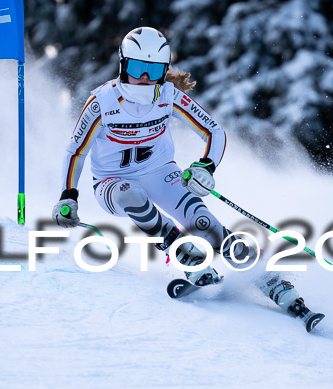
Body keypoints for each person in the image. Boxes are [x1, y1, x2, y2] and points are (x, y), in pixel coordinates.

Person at [51, 26, 317, 324]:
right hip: (112, 182)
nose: (143, 78)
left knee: (204, 223)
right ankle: (184, 252)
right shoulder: (102, 103)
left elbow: (213, 131)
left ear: (164, 71)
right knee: (132, 194)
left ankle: (270, 281)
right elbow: (76, 151)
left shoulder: (169, 95)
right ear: (123, 65)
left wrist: (206, 166)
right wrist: (68, 195)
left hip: (160, 172)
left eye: (153, 71)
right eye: (137, 68)